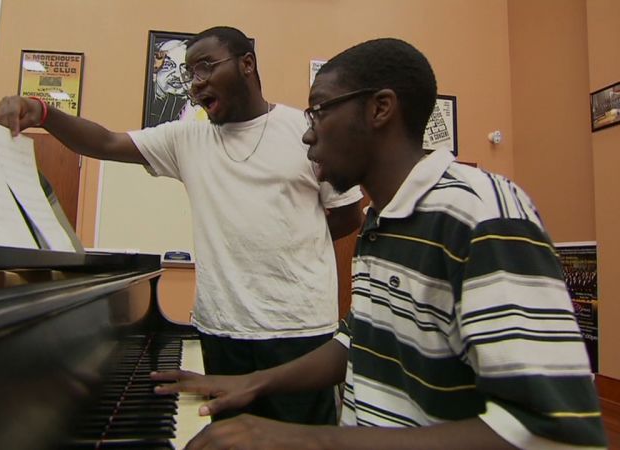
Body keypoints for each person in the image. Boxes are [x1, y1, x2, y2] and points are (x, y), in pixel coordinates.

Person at [151, 38, 608, 449]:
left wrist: (304, 439)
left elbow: (553, 430)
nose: (308, 133)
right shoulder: (380, 222)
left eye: (320, 111)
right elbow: (359, 340)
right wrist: (253, 382)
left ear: (380, 109)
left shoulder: (481, 213)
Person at [0, 26, 363, 426]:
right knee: (228, 437)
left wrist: (290, 241)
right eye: (190, 74)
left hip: (300, 332)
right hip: (222, 330)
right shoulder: (187, 139)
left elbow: (347, 215)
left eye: (205, 68)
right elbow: (105, 142)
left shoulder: (302, 131)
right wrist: (43, 112)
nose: (195, 84)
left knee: (301, 440)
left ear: (247, 64)